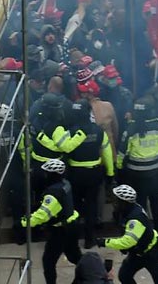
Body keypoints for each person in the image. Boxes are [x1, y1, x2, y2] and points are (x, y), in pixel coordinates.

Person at [117, 98, 158, 233]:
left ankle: (143, 229)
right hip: (155, 172)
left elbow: (122, 153)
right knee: (155, 200)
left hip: (136, 173)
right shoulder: (157, 126)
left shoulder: (130, 130)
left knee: (141, 202)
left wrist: (118, 168)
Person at [21, 159, 81, 284]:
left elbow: (42, 216)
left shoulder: (53, 193)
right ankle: (96, 272)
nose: (45, 175)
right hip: (72, 225)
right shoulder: (65, 184)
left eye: (47, 173)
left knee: (48, 261)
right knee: (74, 256)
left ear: (52, 175)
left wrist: (23, 223)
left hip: (60, 231)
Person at [65, 99, 114, 248]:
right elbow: (107, 153)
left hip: (75, 173)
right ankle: (89, 239)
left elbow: (64, 150)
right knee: (91, 206)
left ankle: (73, 239)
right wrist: (110, 173)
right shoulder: (98, 131)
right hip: (93, 173)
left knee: (74, 206)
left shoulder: (70, 131)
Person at [96, 185, 158, 284]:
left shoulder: (135, 220)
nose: (114, 202)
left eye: (117, 200)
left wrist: (105, 242)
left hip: (152, 253)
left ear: (124, 202)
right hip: (137, 253)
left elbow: (127, 242)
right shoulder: (127, 210)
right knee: (124, 276)